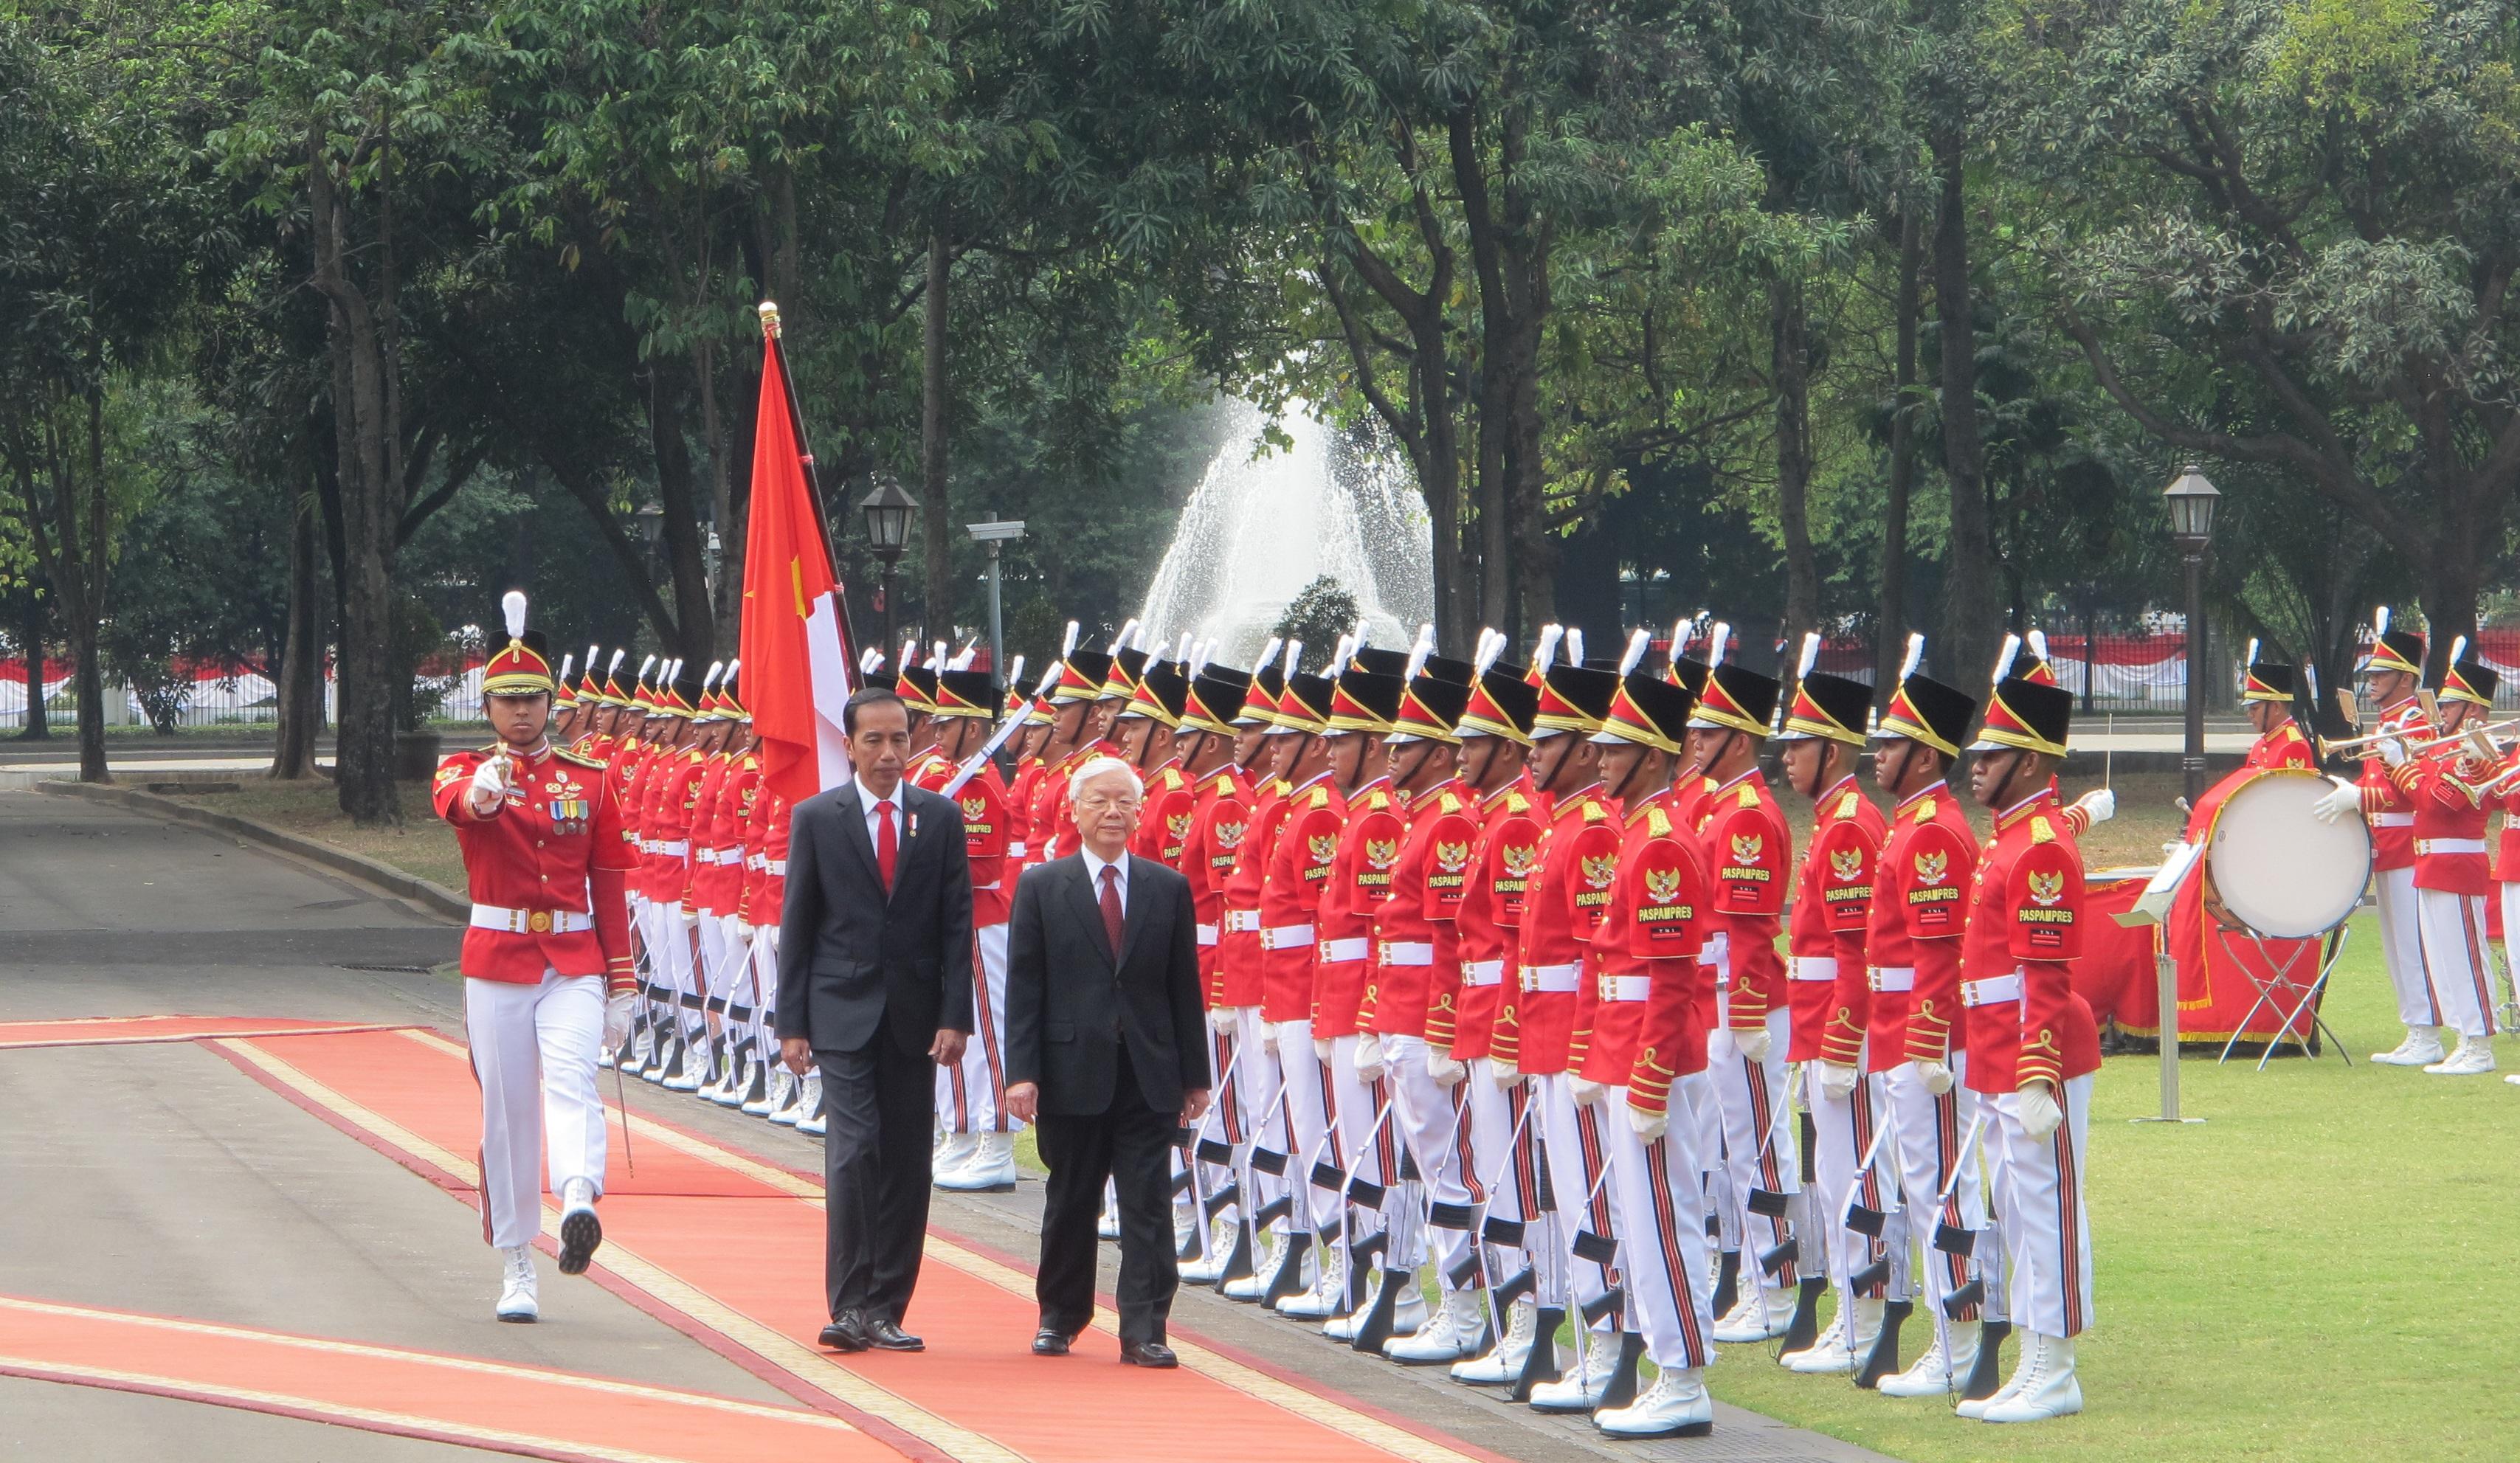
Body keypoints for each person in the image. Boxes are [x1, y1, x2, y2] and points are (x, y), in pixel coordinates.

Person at [429, 594, 637, 1323]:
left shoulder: (591, 780)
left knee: (573, 1079)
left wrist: (622, 983)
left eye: (533, 699)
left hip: (573, 956)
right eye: (507, 700)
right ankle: (519, 1264)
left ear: (553, 701)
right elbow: (457, 801)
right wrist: (483, 792)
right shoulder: (465, 768)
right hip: (498, 962)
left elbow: (609, 883)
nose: (521, 712)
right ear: (487, 706)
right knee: (508, 1115)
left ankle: (578, 1196)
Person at [776, 685, 975, 1355]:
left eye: (899, 740)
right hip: (840, 1010)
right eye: (874, 741)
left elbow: (956, 925)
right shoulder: (817, 817)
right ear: (849, 746)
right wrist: (791, 1023)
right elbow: (797, 923)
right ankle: (848, 1302)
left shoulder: (940, 818)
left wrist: (956, 1016)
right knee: (854, 1148)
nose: (888, 754)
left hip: (915, 1018)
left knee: (908, 1161)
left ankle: (888, 1303)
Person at [1004, 756, 1212, 1367]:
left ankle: (1145, 1326)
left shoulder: (1165, 887)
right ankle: (1060, 1315)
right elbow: (1024, 988)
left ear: (1140, 811)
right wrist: (1023, 1072)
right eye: (1099, 801)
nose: (1112, 812)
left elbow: (1183, 988)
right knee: (1071, 1198)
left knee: (1147, 1200)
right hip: (1072, 1070)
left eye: (1123, 800)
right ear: (1075, 810)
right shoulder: (1043, 886)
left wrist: (1194, 1075)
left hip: (1148, 1071)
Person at [1863, 636, 2005, 1400]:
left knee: (1938, 1186)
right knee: (1920, 1185)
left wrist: (1923, 1043)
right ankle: (1949, 1335)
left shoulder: (1932, 833)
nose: (1877, 756)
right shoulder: (1913, 825)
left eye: (1890, 746)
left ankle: (1958, 1336)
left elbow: (1940, 950)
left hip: (1923, 1037)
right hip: (1892, 1025)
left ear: (1923, 756)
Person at [1955, 661, 2096, 1423]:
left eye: (1992, 756)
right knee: (2015, 1206)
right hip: (1996, 1042)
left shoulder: (2036, 842)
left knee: (2046, 1208)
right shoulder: (2014, 836)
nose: (1976, 767)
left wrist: (2035, 1071)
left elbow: (2045, 970)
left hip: (2034, 1048)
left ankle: (2055, 1363)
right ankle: (2033, 1358)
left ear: (2032, 762)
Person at [1774, 640, 1902, 1379]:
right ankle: (1851, 1315)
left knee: (1852, 1177)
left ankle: (1861, 1315)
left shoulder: (1850, 824)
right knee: (1833, 1175)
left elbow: (1856, 949)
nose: (1786, 758)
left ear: (1830, 750)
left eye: (1798, 747)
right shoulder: (1833, 818)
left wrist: (1841, 1040)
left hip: (1838, 1024)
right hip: (1819, 1019)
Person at [2386, 642, 2501, 1075]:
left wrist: (2401, 767)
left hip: (2458, 864)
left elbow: (2439, 802)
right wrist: (2401, 763)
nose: (2441, 711)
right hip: (2430, 863)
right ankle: (2461, 1038)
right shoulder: (2441, 747)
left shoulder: (2474, 749)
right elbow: (2417, 798)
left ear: (2471, 710)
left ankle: (2480, 1045)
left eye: (2450, 704)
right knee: (2443, 959)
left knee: (2466, 957)